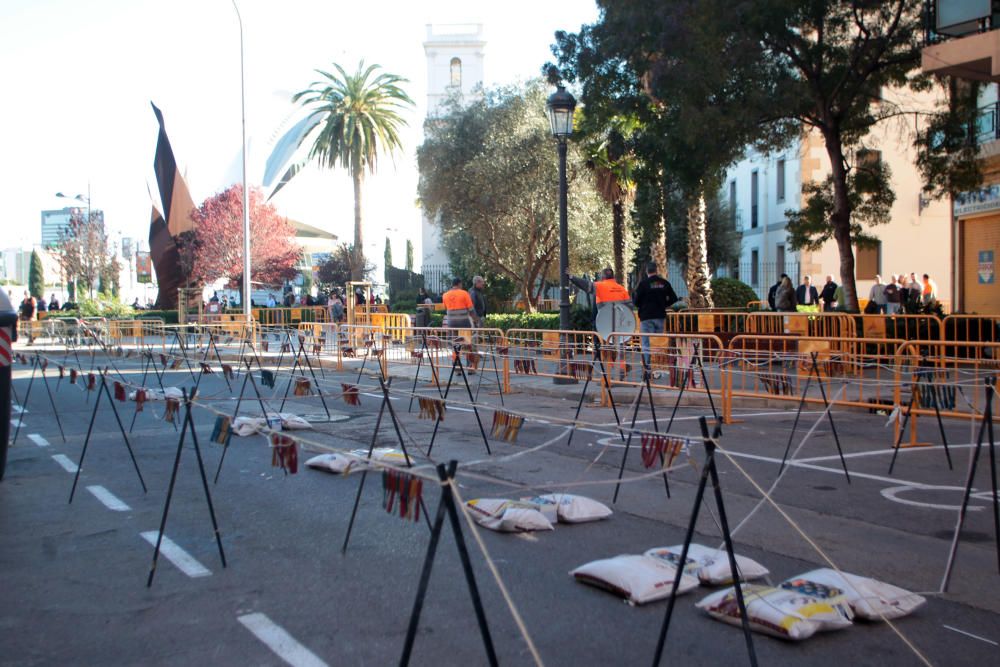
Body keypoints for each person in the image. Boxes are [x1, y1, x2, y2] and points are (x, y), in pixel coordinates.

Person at [632, 261, 678, 366]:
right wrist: (664, 304)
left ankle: (648, 366)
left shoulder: (643, 284)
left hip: (646, 317)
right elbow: (674, 298)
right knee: (659, 342)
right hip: (660, 316)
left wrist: (643, 306)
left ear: (647, 271)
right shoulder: (664, 283)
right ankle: (658, 364)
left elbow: (636, 301)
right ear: (656, 270)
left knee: (646, 343)